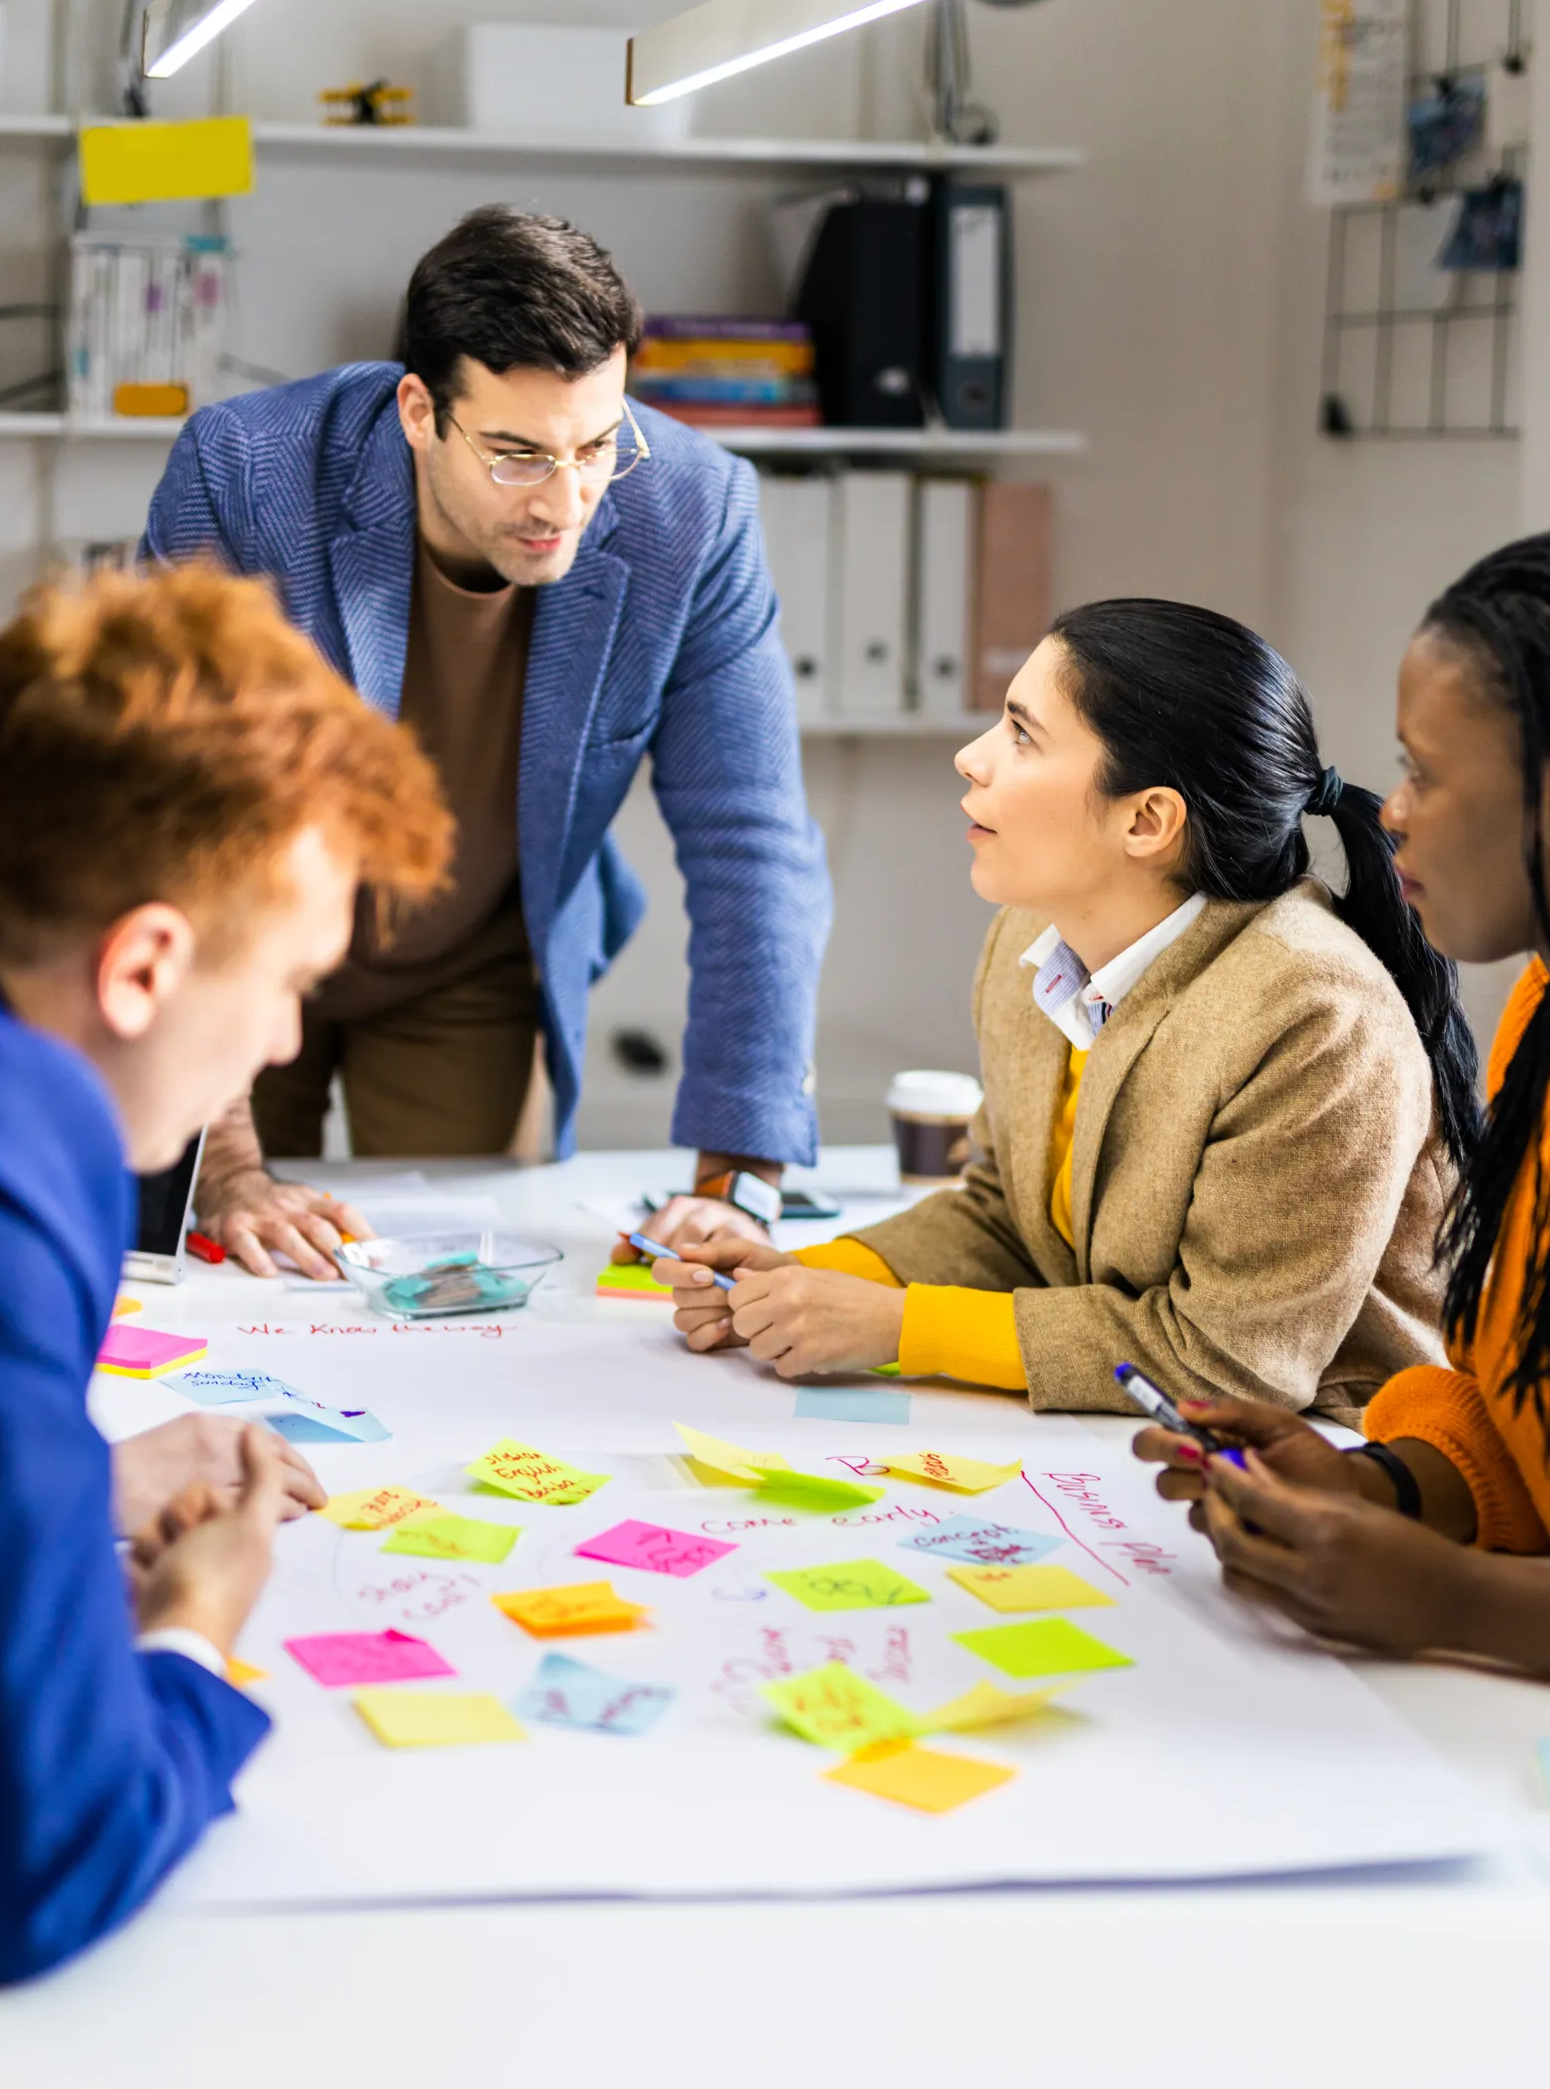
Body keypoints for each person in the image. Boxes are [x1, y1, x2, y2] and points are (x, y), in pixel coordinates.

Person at [143, 204, 830, 1283]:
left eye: (597, 445)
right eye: (516, 454)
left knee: (445, 1292)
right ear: (419, 410)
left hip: (472, 960)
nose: (567, 501)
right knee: (222, 1262)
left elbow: (753, 840)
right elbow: (172, 820)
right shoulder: (245, 475)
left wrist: (736, 1179)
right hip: (243, 948)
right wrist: (227, 1161)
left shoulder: (692, 512)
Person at [0, 563, 452, 1981]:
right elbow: (40, 1865)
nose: (289, 1044)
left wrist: (55, 1474)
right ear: (145, 968)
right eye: (289, 981)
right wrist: (190, 1633)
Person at [653, 598, 1477, 1416]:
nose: (972, 759)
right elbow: (1010, 1218)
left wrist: (897, 1326)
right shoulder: (1036, 939)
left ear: (1147, 819)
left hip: (1336, 1456)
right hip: (1121, 1436)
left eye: (1021, 734)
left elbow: (1232, 1361)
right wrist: (811, 1276)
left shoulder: (1313, 1016)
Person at [1135, 535, 1550, 1676]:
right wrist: (1383, 1483)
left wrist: (1455, 1601)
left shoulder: (1309, 996)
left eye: (1426, 771)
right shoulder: (1538, 1007)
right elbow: (1529, 1431)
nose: (1395, 811)